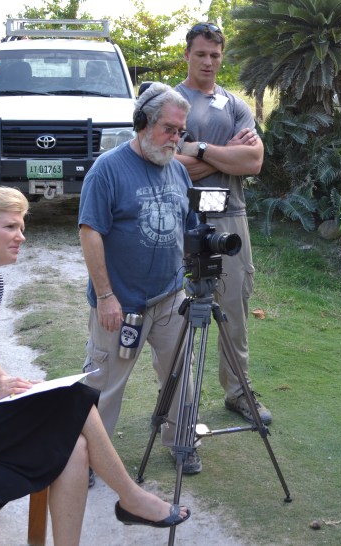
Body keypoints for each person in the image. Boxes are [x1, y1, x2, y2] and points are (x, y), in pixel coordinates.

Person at [0, 187, 190, 546]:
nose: (21, 236)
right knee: (73, 398)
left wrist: (3, 379)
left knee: (74, 447)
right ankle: (131, 497)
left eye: (21, 226)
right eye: (10, 227)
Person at [79, 83, 204, 473]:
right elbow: (90, 231)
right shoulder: (108, 170)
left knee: (180, 377)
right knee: (103, 386)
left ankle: (182, 443)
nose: (176, 139)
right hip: (120, 304)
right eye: (169, 129)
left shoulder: (177, 172)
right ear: (142, 123)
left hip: (169, 299)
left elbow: (190, 229)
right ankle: (86, 460)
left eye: (181, 132)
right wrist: (105, 296)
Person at [175, 22, 272, 425]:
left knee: (233, 307)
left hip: (230, 219)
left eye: (215, 55)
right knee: (172, 312)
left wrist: (196, 149)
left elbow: (252, 162)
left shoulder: (235, 105)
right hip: (180, 217)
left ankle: (238, 392)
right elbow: (166, 163)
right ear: (187, 55)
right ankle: (179, 401)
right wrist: (221, 153)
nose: (209, 62)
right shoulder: (169, 101)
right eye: (201, 54)